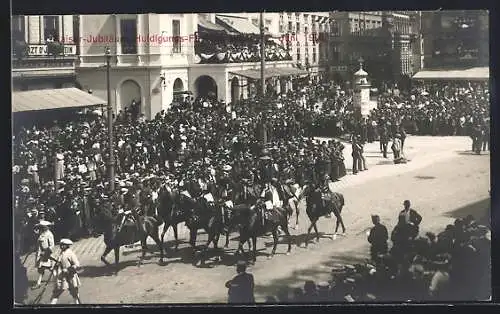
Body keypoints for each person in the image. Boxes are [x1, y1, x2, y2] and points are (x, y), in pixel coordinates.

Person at [50, 238, 82, 304]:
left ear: (67, 245)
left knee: (74, 292)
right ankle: (52, 304)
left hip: (70, 276)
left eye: (63, 245)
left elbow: (77, 264)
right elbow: (60, 261)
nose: (61, 246)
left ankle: (77, 304)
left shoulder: (70, 253)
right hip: (62, 276)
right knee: (57, 291)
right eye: (60, 245)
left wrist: (68, 269)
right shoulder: (61, 252)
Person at [33, 220, 55, 289]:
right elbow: (39, 241)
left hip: (46, 253)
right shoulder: (41, 233)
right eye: (42, 226)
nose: (43, 228)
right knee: (41, 269)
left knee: (49, 268)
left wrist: (46, 252)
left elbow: (52, 245)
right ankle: (38, 283)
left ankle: (57, 279)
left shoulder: (49, 234)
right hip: (40, 253)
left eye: (44, 226)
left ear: (47, 227)